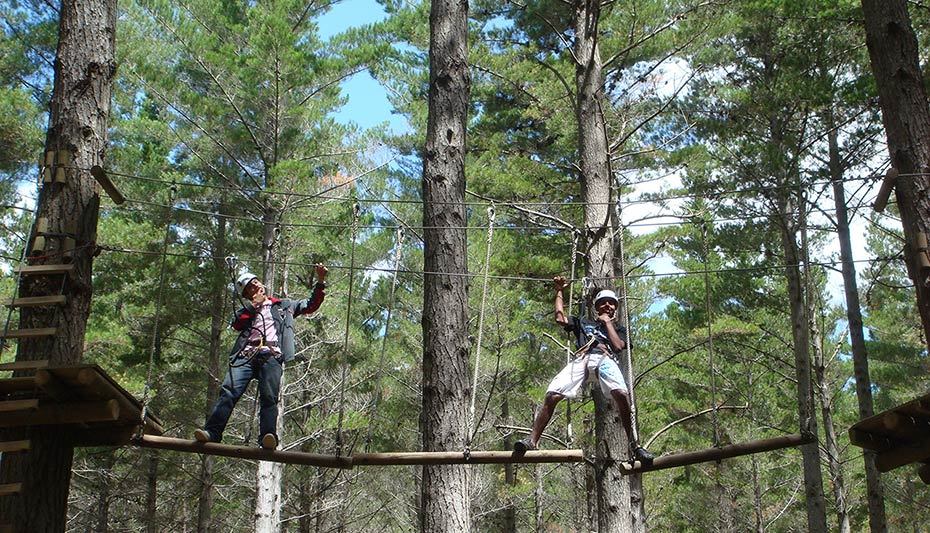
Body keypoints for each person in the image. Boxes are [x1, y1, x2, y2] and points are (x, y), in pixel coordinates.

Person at [514, 276, 653, 465]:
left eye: (611, 304)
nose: (607, 306)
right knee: (552, 395)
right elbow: (560, 318)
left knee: (621, 394)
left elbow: (619, 347)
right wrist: (559, 291)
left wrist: (608, 323)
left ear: (615, 309)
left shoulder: (619, 329)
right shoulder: (583, 323)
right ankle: (532, 441)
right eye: (603, 303)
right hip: (582, 358)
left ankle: (634, 446)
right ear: (596, 307)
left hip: (605, 359)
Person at [194, 264, 328, 449]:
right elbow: (237, 324)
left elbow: (311, 304)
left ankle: (267, 437)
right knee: (229, 392)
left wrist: (320, 281)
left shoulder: (285, 305)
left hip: (271, 354)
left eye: (256, 282)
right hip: (246, 355)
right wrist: (253, 306)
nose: (256, 286)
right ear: (247, 295)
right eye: (251, 287)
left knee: (269, 396)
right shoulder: (246, 311)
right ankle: (212, 432)